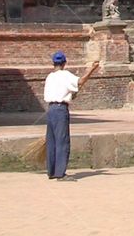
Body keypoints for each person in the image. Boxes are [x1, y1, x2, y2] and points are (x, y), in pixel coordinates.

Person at [43, 51, 100, 180]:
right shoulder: (65, 75)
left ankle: (51, 171)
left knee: (52, 141)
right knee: (62, 141)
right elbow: (80, 82)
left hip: (51, 109)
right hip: (60, 110)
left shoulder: (50, 77)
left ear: (54, 63)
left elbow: (66, 90)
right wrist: (92, 69)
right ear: (64, 63)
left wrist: (71, 93)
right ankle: (60, 173)